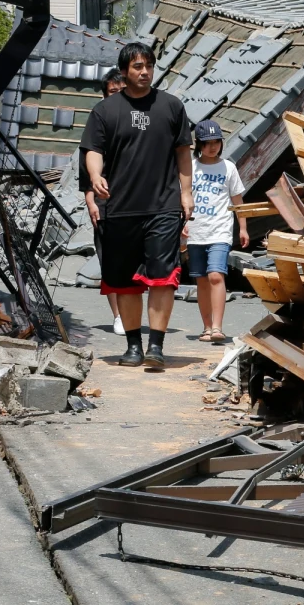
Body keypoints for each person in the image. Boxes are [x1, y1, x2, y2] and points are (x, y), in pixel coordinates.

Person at [81, 42, 193, 368]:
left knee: (162, 276)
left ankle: (156, 346)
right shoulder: (105, 110)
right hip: (119, 208)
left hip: (163, 205)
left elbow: (183, 152)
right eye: (137, 67)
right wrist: (95, 175)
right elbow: (92, 149)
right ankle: (133, 346)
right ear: (124, 71)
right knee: (124, 281)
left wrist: (186, 194)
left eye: (148, 66)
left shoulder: (171, 106)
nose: (144, 72)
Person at [184, 119, 247, 343]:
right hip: (195, 231)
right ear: (198, 144)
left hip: (220, 230)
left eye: (216, 142)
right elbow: (181, 198)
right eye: (207, 142)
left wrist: (243, 228)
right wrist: (181, 223)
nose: (212, 147)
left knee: (215, 276)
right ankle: (207, 326)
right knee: (201, 280)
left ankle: (218, 327)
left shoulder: (228, 167)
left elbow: (238, 201)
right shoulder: (190, 167)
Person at [78, 68, 126, 334]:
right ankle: (118, 315)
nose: (117, 96)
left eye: (121, 91)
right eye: (112, 92)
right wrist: (91, 201)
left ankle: (131, 312)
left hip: (133, 201)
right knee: (109, 260)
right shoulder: (97, 122)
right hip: (105, 202)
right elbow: (85, 170)